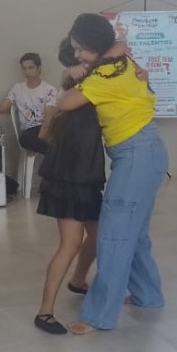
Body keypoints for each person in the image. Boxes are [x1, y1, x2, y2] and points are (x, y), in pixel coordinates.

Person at [55, 13, 169, 335]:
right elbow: (116, 47)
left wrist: (72, 73)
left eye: (81, 49)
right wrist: (83, 66)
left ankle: (98, 316)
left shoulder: (104, 74)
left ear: (95, 45)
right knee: (135, 233)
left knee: (114, 234)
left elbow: (64, 103)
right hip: (148, 152)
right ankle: (148, 295)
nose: (77, 54)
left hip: (137, 157)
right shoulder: (122, 61)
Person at [33, 39, 105, 335]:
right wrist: (71, 72)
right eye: (81, 59)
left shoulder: (93, 84)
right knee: (71, 243)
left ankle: (78, 280)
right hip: (68, 177)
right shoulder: (72, 90)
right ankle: (44, 312)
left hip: (86, 175)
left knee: (98, 235)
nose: (86, 63)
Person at [0, 52, 58, 156]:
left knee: (64, 135)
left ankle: (56, 156)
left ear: (39, 68)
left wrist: (39, 140)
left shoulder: (49, 90)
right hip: (29, 132)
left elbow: (49, 116)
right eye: (24, 68)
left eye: (31, 68)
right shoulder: (17, 88)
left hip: (46, 129)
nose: (27, 72)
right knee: (25, 139)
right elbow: (3, 107)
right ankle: (57, 156)